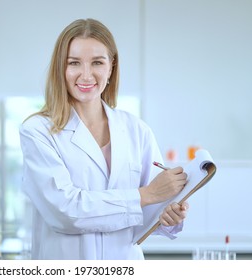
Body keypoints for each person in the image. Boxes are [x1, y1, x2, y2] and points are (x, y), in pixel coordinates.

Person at [19, 18, 189, 260]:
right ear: (61, 68)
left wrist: (168, 216)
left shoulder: (136, 130)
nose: (86, 75)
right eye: (74, 63)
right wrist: (146, 195)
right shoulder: (38, 131)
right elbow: (66, 212)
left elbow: (147, 215)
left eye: (97, 62)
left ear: (111, 67)